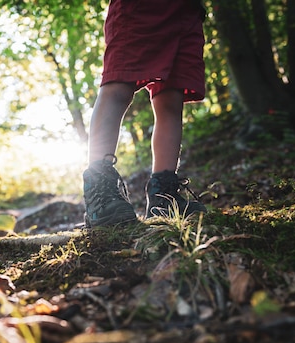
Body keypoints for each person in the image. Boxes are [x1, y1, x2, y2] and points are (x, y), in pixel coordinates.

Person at [83, 0, 207, 227]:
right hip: (139, 6)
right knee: (119, 83)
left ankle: (164, 196)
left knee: (172, 97)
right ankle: (99, 194)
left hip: (188, 11)